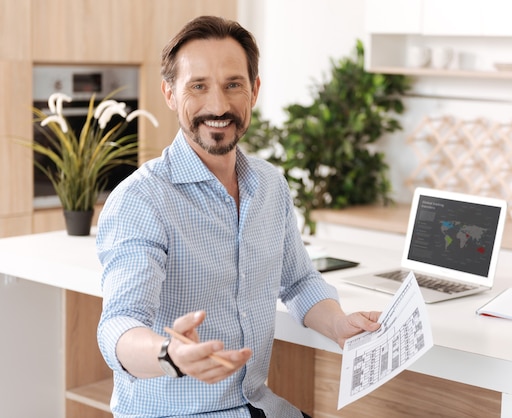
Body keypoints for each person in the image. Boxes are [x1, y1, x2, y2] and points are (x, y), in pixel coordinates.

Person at [96, 15, 381, 418]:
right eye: (198, 86)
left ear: (254, 91)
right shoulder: (142, 200)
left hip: (255, 405)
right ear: (170, 93)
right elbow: (118, 325)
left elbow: (298, 281)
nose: (218, 105)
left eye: (233, 85)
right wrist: (170, 354)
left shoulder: (269, 185)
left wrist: (338, 325)